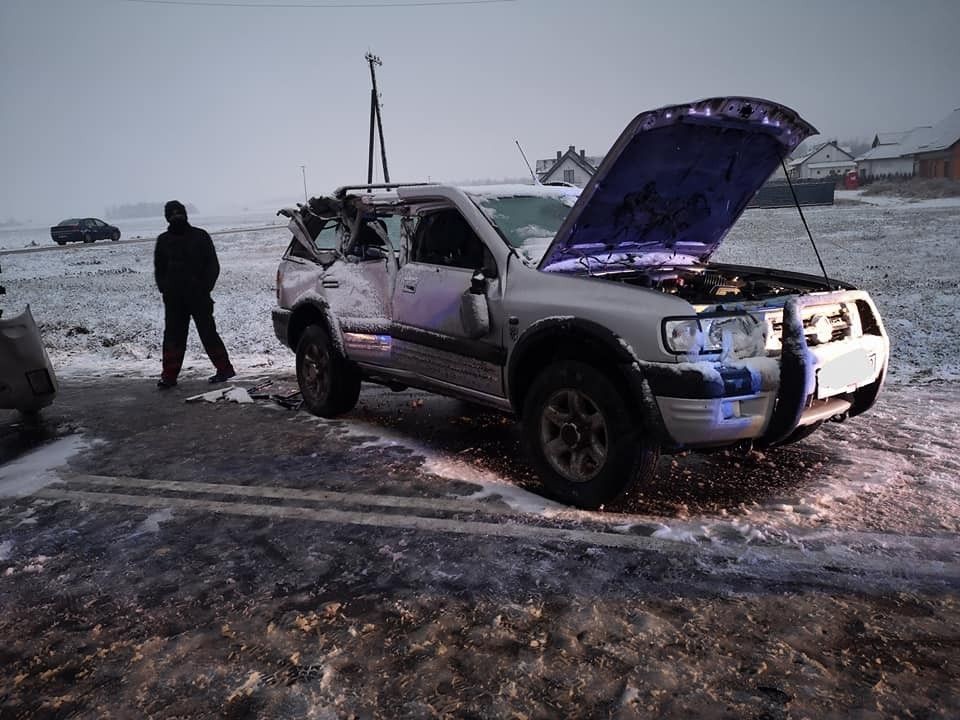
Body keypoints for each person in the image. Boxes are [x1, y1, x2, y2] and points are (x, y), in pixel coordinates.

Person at [154, 200, 235, 389]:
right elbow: (159, 269)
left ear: (185, 214)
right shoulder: (163, 240)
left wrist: (204, 287)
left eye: (179, 213)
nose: (177, 217)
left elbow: (213, 265)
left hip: (199, 297)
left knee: (208, 334)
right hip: (174, 300)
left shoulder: (200, 236)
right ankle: (169, 376)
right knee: (173, 337)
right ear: (167, 218)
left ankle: (225, 369)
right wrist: (165, 289)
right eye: (173, 214)